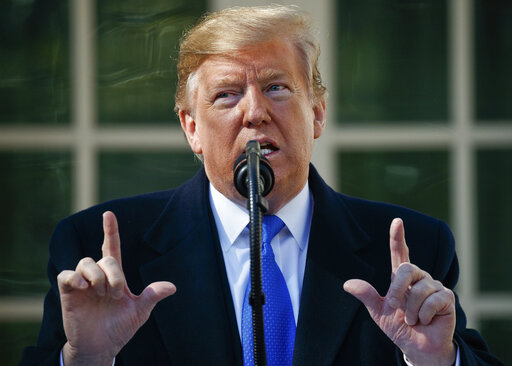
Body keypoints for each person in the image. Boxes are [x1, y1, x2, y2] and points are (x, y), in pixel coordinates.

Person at [20, 5, 503, 366]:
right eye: (227, 95)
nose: (255, 112)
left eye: (276, 87)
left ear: (316, 113)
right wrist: (85, 360)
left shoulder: (411, 248)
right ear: (192, 129)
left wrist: (438, 361)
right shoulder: (100, 250)